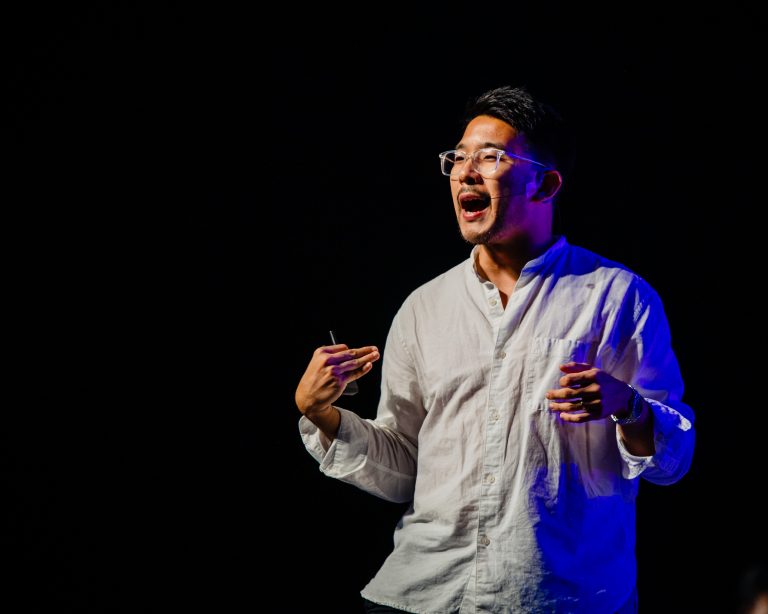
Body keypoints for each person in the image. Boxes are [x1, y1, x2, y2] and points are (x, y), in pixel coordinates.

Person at [294, 85, 695, 613]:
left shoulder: (617, 297)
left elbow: (673, 459)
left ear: (546, 183)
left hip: (556, 597)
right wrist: (321, 414)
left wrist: (628, 405)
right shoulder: (424, 307)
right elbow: (406, 467)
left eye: (490, 157)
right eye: (457, 158)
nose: (465, 172)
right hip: (424, 593)